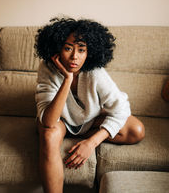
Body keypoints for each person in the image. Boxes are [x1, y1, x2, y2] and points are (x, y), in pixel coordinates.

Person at [34, 17, 145, 193]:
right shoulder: (47, 68)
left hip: (89, 122)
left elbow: (121, 108)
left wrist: (91, 143)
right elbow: (48, 121)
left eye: (81, 50)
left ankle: (81, 136)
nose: (75, 57)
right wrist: (67, 78)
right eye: (68, 48)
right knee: (48, 135)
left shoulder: (95, 73)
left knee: (136, 130)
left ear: (89, 52)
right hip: (60, 121)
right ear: (57, 49)